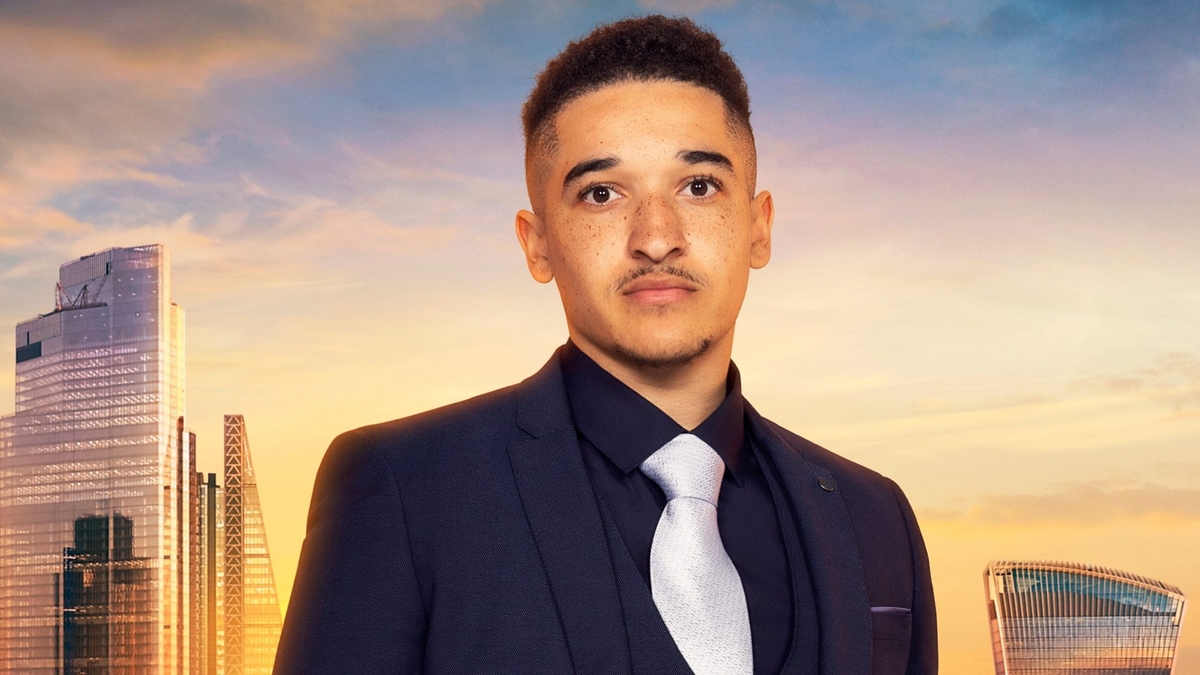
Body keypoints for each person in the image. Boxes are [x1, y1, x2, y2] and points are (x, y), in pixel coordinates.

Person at [274, 15, 936, 675]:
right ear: (537, 244)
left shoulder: (876, 516)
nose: (655, 236)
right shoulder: (405, 488)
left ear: (759, 227)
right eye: (601, 193)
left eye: (699, 185)